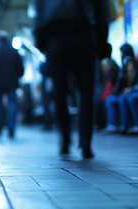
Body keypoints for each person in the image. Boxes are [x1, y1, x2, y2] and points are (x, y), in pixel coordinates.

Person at [34, 0, 108, 159]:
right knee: (86, 92)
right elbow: (100, 11)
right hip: (84, 36)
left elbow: (40, 16)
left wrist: (43, 45)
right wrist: (101, 42)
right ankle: (86, 141)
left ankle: (65, 140)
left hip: (56, 40)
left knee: (60, 93)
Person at [104, 58, 138, 134]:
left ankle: (137, 125)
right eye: (127, 66)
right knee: (115, 98)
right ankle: (123, 125)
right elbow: (119, 89)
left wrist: (132, 90)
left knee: (131, 97)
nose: (128, 68)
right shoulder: (127, 75)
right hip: (132, 94)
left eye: (130, 65)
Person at [0, 30, 24, 138]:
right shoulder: (14, 51)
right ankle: (11, 128)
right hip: (12, 82)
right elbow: (21, 69)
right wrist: (17, 76)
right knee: (12, 104)